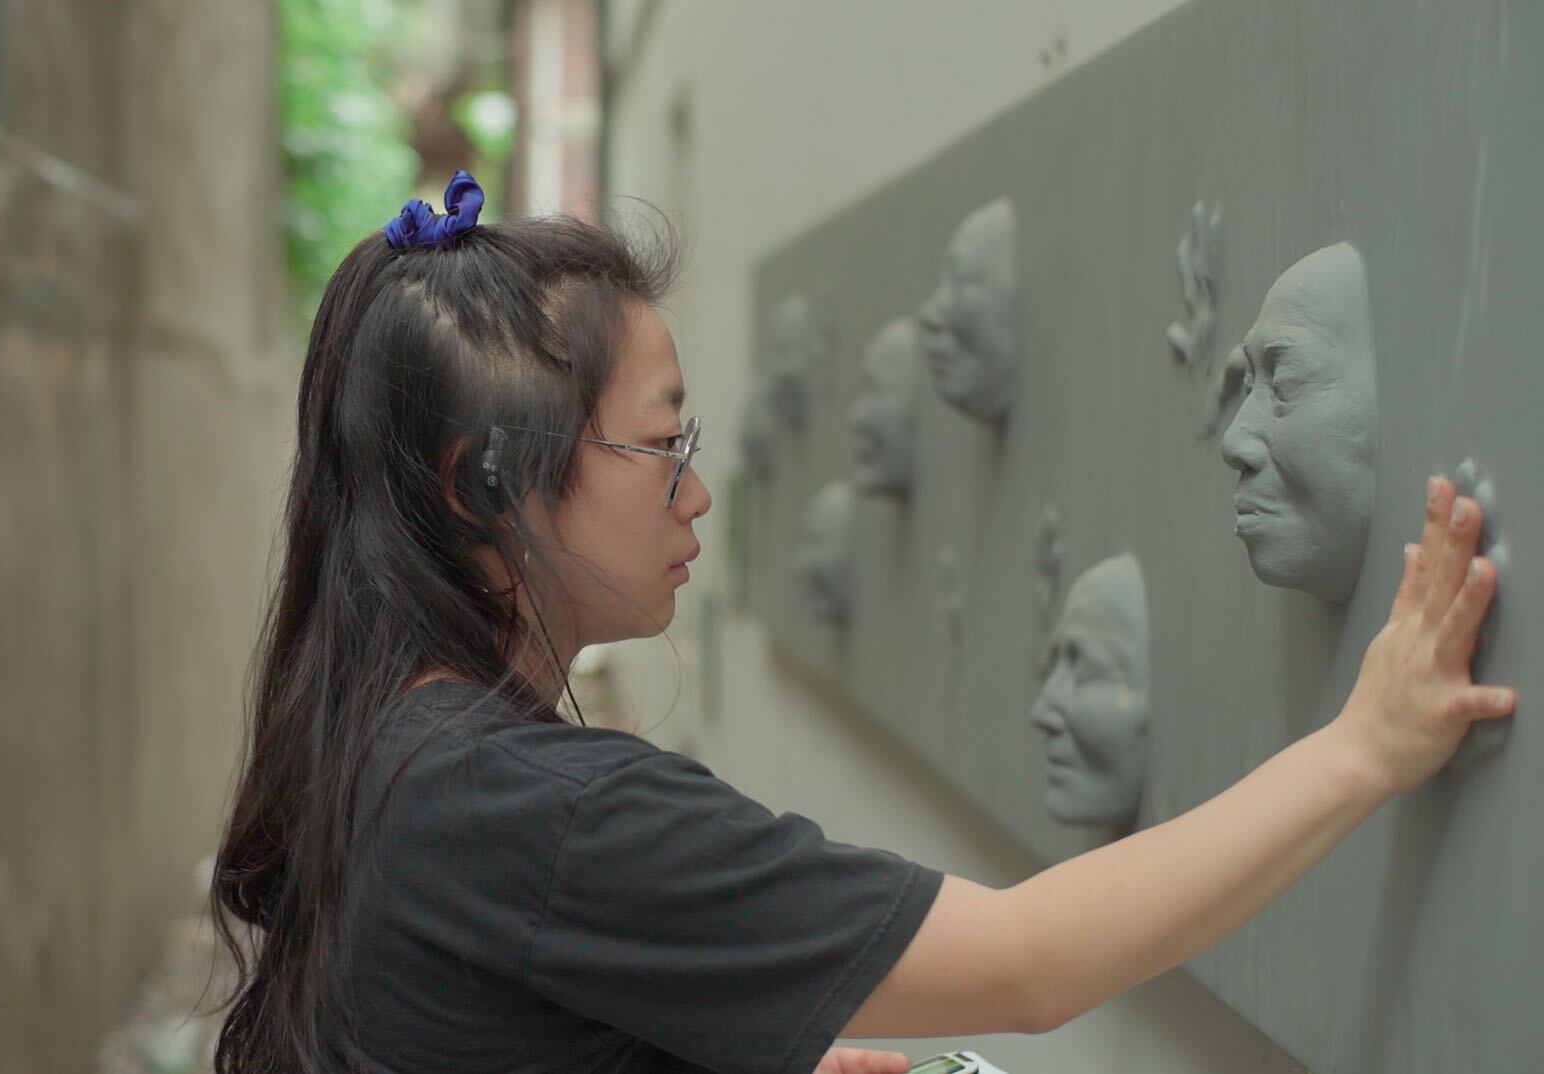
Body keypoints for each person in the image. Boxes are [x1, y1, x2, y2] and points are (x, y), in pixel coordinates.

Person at [208, 173, 1515, 1074]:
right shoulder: (530, 807)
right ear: (486, 482)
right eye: (665, 444)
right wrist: (1364, 746)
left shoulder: (400, 744)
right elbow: (1026, 964)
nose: (698, 489)